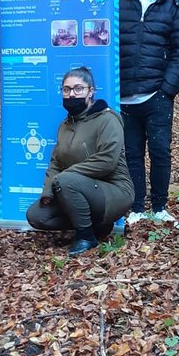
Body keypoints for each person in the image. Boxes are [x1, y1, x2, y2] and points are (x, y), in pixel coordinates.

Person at [119, 0, 179, 228]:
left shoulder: (173, 3)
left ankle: (159, 206)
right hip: (124, 94)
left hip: (157, 95)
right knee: (132, 153)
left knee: (160, 151)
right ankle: (136, 206)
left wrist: (167, 89)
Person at [26, 67, 134, 254]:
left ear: (90, 91)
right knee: (36, 216)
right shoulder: (65, 126)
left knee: (66, 181)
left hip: (115, 190)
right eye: (66, 90)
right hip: (78, 187)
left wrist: (65, 177)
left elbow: (107, 160)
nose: (71, 94)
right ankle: (98, 227)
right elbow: (55, 163)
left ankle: (86, 237)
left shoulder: (108, 119)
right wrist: (47, 193)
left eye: (78, 89)